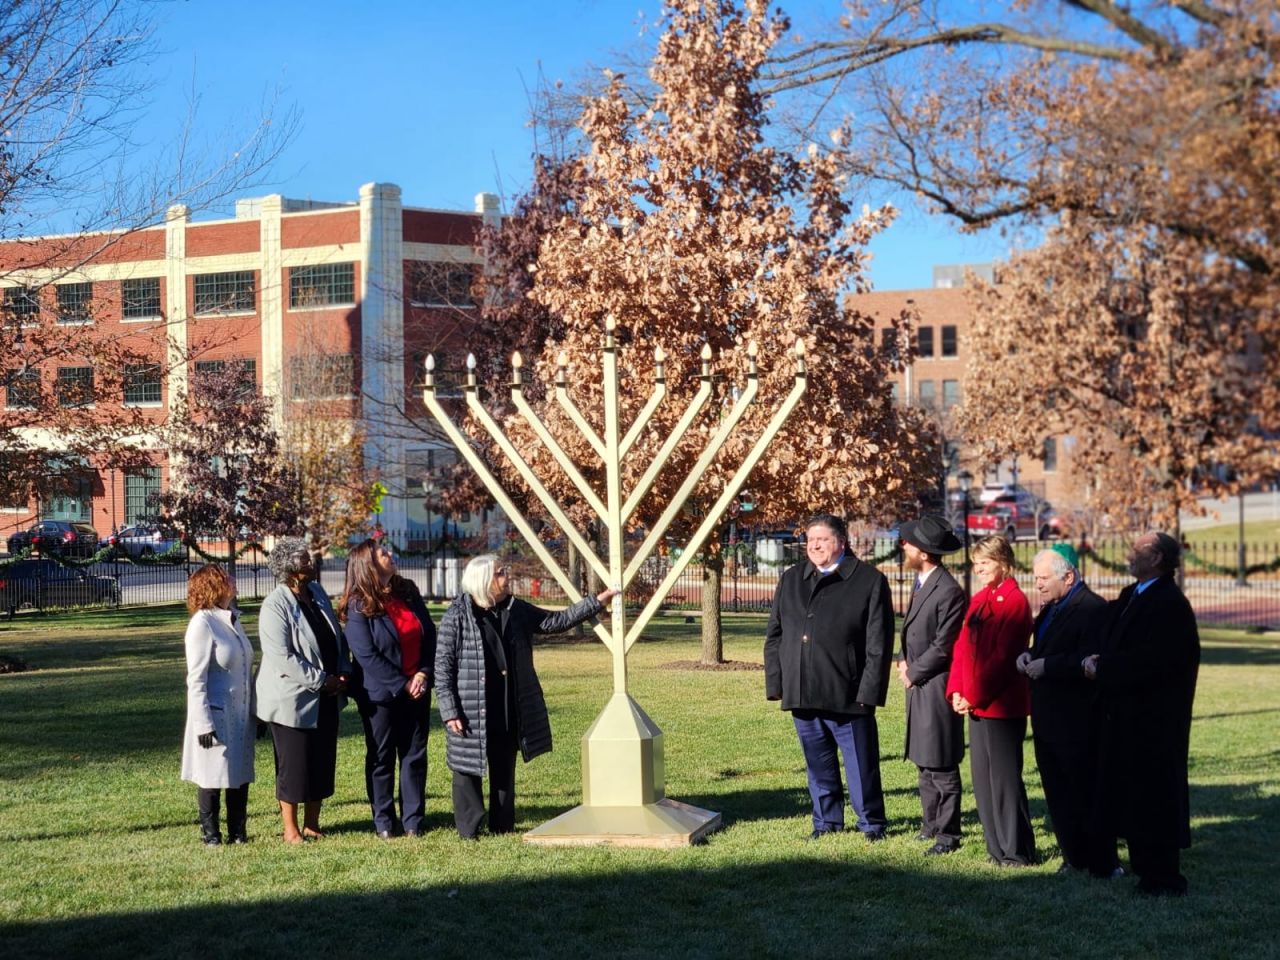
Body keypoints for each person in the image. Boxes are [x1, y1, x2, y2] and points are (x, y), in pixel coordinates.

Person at [435, 554, 617, 839]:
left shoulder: (515, 609)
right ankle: (469, 830)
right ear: (483, 580)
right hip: (470, 707)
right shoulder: (457, 616)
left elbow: (555, 621)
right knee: (466, 769)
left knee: (504, 765)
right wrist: (449, 710)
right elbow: (443, 667)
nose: (507, 576)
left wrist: (597, 601)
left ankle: (502, 826)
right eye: (500, 572)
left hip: (508, 704)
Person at [1083, 532, 1200, 896]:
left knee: (1155, 796)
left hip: (1154, 721)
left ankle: (1162, 877)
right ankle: (1143, 866)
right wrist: (1097, 659)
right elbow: (1111, 636)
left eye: (1138, 549)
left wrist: (1104, 668)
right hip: (1124, 715)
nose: (1129, 554)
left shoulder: (1170, 604)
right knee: (1131, 794)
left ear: (1158, 558)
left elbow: (1155, 661)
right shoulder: (1131, 595)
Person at [764, 513, 894, 841]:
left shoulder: (868, 581)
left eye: (822, 539)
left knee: (860, 765)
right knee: (817, 764)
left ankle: (871, 824)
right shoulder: (792, 579)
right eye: (810, 540)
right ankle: (826, 822)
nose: (815, 546)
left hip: (848, 693)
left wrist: (869, 692)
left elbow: (879, 644)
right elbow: (775, 635)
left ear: (841, 542)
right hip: (802, 691)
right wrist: (778, 683)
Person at [1016, 547, 1117, 875]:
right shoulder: (1051, 608)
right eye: (1036, 578)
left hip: (1077, 719)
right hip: (1047, 717)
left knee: (1084, 791)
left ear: (1069, 577)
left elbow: (1091, 660)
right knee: (1058, 792)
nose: (1038, 585)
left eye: (1044, 578)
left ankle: (1102, 862)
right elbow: (1046, 647)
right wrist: (1029, 656)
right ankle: (1073, 856)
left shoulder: (1093, 608)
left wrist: (1048, 666)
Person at [946, 534, 1037, 866]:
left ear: (1003, 562)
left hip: (1001, 704)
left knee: (1004, 781)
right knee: (983, 781)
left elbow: (1002, 658)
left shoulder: (1015, 601)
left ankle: (1017, 851)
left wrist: (973, 695)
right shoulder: (980, 598)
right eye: (976, 563)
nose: (979, 569)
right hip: (975, 704)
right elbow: (961, 647)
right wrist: (957, 690)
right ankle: (996, 849)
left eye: (985, 562)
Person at [255, 536, 350, 844]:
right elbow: (282, 657)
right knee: (294, 765)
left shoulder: (317, 592)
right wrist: (321, 680)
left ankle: (312, 824)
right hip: (291, 699)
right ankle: (291, 829)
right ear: (289, 568)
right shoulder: (275, 605)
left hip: (327, 694)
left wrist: (343, 670)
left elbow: (336, 635)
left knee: (321, 760)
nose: (311, 563)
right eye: (305, 560)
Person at [342, 540, 437, 839]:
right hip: (380, 696)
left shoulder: (407, 591)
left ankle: (413, 821)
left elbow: (428, 634)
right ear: (369, 564)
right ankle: (383, 821)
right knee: (381, 756)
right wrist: (402, 684)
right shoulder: (358, 604)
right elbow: (366, 654)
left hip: (417, 688)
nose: (391, 555)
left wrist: (423, 672)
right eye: (383, 554)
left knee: (414, 754)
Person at [897, 515, 967, 855]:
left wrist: (914, 672)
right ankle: (930, 824)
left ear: (923, 553)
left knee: (941, 762)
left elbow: (944, 645)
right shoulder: (923, 582)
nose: (903, 547)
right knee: (924, 761)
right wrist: (902, 659)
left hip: (937, 686)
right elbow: (910, 632)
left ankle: (948, 835)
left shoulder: (948, 590)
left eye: (908, 544)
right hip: (920, 684)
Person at [181, 564, 255, 846]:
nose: (233, 580)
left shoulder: (232, 619)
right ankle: (211, 835)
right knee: (211, 773)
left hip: (240, 712)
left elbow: (245, 669)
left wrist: (255, 713)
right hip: (215, 712)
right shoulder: (203, 623)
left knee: (239, 771)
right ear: (213, 586)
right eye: (226, 578)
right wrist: (203, 723)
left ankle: (238, 832)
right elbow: (196, 679)